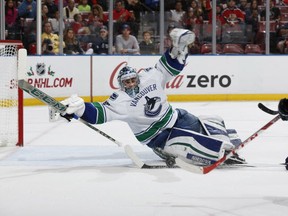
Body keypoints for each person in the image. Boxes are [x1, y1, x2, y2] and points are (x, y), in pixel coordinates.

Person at [49, 28, 245, 166]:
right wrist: (81, 107)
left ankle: (228, 145)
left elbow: (170, 67)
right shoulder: (120, 100)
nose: (131, 84)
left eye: (133, 80)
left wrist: (177, 50)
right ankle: (218, 151)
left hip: (178, 118)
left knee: (213, 124)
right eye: (127, 82)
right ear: (121, 84)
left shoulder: (149, 76)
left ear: (137, 77)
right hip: (159, 138)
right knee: (192, 143)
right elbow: (99, 114)